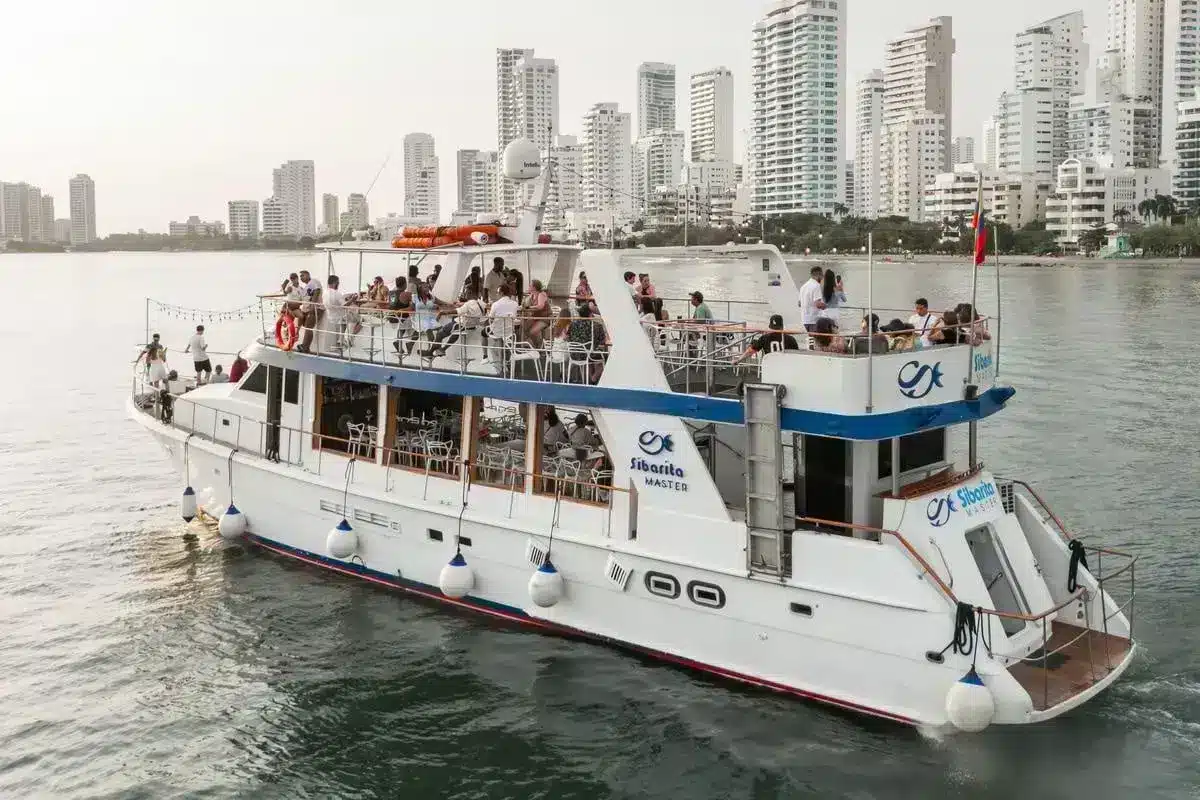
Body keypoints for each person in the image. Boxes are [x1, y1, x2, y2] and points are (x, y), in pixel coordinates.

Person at [733, 314, 800, 364]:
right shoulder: (790, 339)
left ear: (770, 327)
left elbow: (750, 351)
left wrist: (738, 360)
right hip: (786, 366)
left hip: (769, 366)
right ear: (782, 326)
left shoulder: (765, 338)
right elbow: (797, 355)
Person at [297, 269, 323, 352]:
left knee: (309, 327)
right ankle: (304, 345)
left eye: (302, 275)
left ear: (308, 275)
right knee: (307, 326)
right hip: (309, 309)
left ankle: (305, 347)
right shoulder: (306, 287)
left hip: (316, 308)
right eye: (300, 276)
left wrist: (312, 305)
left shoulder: (314, 281)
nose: (301, 278)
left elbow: (317, 291)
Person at [523, 279, 552, 346]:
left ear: (534, 287)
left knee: (532, 331)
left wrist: (528, 307)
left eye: (530, 285)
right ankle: (536, 345)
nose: (528, 287)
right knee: (524, 328)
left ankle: (539, 347)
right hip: (535, 317)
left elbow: (540, 306)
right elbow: (525, 305)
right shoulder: (531, 296)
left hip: (545, 318)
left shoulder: (542, 294)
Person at [324, 275, 349, 351]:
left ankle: (341, 340)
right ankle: (348, 339)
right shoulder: (337, 294)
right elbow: (345, 305)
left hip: (330, 317)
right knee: (358, 319)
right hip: (339, 318)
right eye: (338, 282)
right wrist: (352, 299)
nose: (338, 284)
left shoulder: (325, 292)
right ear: (335, 283)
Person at [798, 265, 826, 332]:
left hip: (804, 320)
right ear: (818, 275)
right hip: (814, 321)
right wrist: (826, 306)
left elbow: (799, 303)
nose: (822, 278)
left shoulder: (803, 287)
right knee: (815, 338)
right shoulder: (816, 286)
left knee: (808, 338)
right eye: (822, 276)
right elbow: (818, 304)